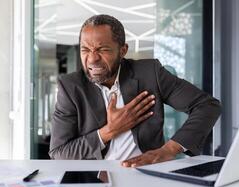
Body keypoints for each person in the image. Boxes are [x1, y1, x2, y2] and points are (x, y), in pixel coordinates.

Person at [49, 14, 221, 167]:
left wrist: (169, 149)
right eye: (85, 50)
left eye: (103, 49)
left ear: (123, 50)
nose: (92, 58)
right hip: (94, 179)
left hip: (147, 175)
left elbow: (207, 106)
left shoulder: (150, 73)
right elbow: (59, 153)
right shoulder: (70, 86)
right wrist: (109, 131)